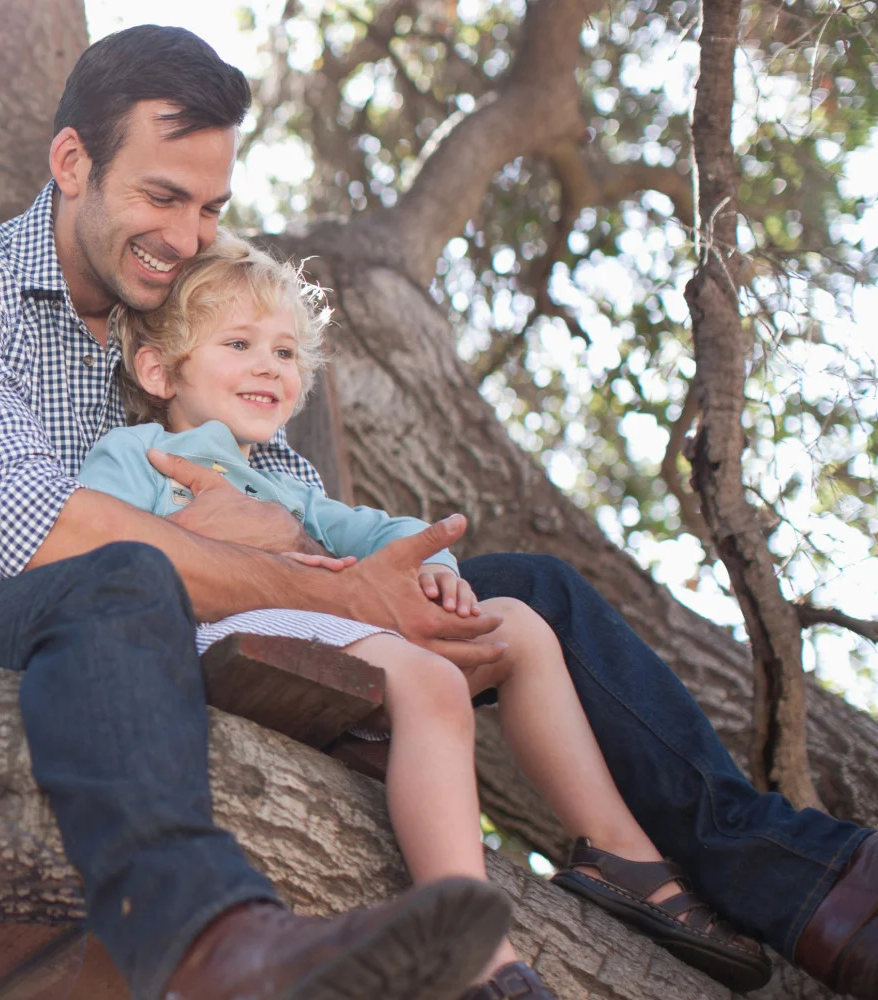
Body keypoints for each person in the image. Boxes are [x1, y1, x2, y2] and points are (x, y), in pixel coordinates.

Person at [0, 24, 878, 1000]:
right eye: (160, 197)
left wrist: (362, 575)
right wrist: (259, 561)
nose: (186, 235)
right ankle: (208, 939)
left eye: (208, 207)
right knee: (119, 570)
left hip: (163, 642)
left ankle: (789, 880)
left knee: (534, 593)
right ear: (69, 165)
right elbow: (38, 538)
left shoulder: (188, 319)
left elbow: (298, 514)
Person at [77, 233, 772, 996]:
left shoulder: (287, 479)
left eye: (285, 352)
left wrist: (437, 573)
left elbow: (386, 534)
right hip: (221, 643)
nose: (269, 365)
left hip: (332, 637)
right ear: (158, 368)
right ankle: (479, 955)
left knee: (516, 626)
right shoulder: (135, 452)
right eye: (239, 344)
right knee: (433, 683)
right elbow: (100, 559)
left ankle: (618, 853)